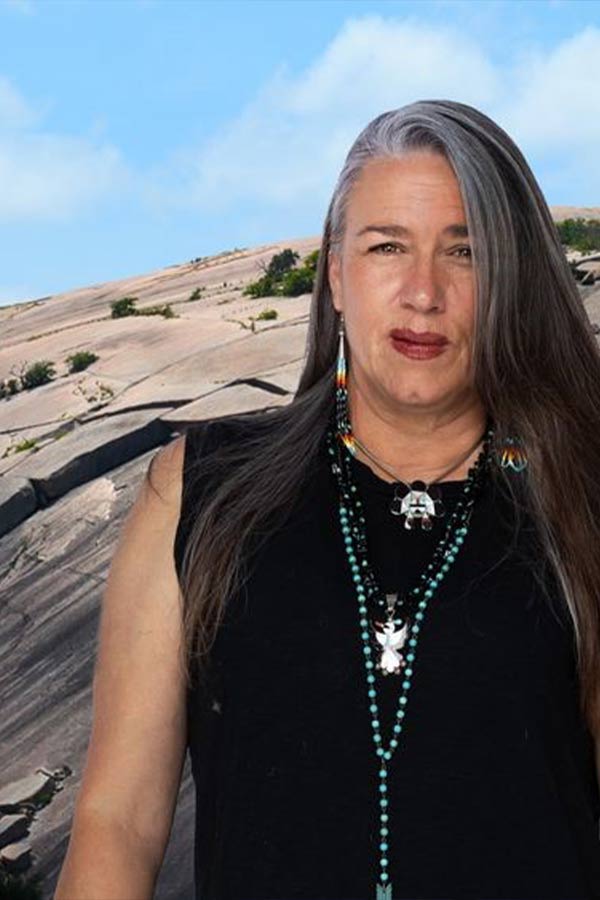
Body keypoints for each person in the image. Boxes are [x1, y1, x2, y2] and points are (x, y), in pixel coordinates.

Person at [54, 99, 600, 900]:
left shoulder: (580, 497)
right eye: (387, 247)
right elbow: (119, 823)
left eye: (468, 253)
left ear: (515, 279)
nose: (424, 292)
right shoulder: (199, 493)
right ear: (337, 274)